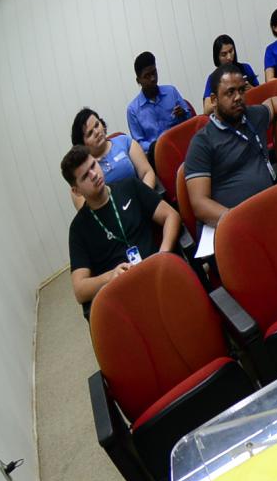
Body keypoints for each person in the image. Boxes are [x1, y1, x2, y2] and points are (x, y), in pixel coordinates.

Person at [185, 64, 277, 226]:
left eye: (241, 90)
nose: (238, 97)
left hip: (270, 207)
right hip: (233, 222)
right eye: (230, 92)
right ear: (214, 100)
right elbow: (200, 204)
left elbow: (272, 103)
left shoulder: (251, 116)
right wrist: (238, 220)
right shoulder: (202, 142)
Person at [63, 144, 180, 313]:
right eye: (85, 176)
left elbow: (171, 216)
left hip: (158, 272)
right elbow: (80, 290)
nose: (94, 175)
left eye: (93, 166)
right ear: (76, 191)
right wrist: (110, 277)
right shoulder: (78, 229)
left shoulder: (129, 187)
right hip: (124, 295)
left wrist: (163, 253)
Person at [68, 108, 154, 210]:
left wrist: (144, 197)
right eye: (90, 133)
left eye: (97, 125)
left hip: (142, 202)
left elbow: (147, 173)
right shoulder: (83, 170)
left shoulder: (125, 141)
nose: (96, 132)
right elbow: (85, 210)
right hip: (113, 215)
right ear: (82, 144)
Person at [125, 52, 195, 158]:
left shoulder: (171, 92)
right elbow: (139, 144)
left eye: (154, 72)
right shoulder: (133, 110)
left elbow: (191, 120)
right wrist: (159, 145)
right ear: (138, 81)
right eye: (147, 76)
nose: (153, 78)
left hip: (182, 146)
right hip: (158, 155)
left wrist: (183, 114)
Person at [202, 34, 260, 112]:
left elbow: (261, 93)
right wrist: (226, 100)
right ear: (217, 57)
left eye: (231, 51)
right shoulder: (213, 78)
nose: (229, 57)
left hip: (250, 109)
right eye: (224, 54)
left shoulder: (245, 67)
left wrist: (251, 89)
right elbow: (207, 109)